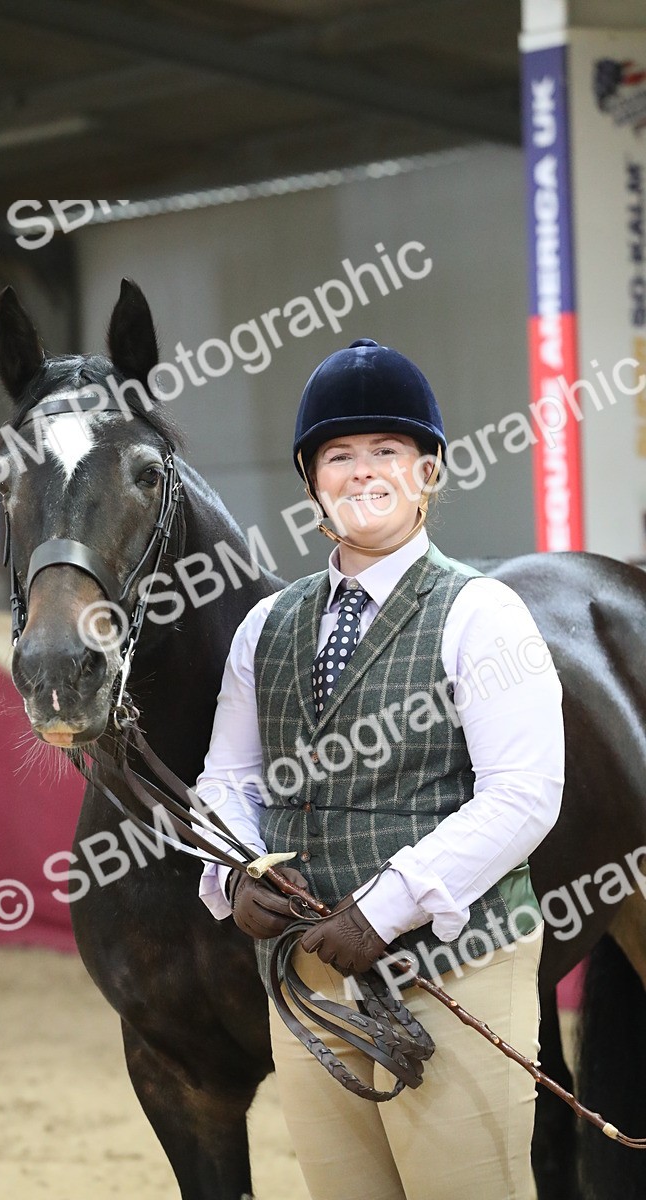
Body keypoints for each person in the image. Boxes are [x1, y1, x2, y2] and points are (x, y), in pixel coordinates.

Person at [195, 338, 564, 1200]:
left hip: (455, 970)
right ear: (313, 480)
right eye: (339, 455)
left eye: (387, 452)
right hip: (309, 982)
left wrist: (390, 903)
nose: (363, 473)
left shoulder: (482, 614)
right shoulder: (266, 629)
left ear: (429, 471)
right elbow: (229, 778)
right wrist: (231, 868)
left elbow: (524, 793)